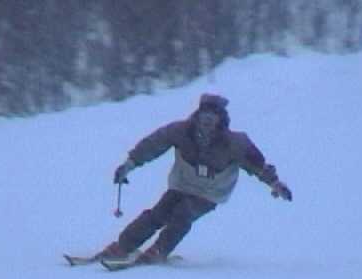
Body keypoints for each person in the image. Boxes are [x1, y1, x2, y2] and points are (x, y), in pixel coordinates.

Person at [98, 93, 292, 264]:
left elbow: (257, 165)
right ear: (197, 115)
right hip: (183, 184)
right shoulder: (180, 131)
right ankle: (123, 246)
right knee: (159, 213)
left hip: (211, 192)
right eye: (204, 114)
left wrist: (275, 184)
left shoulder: (235, 143)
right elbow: (153, 145)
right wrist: (129, 165)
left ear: (221, 119)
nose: (207, 120)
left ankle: (159, 250)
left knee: (184, 213)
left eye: (213, 115)